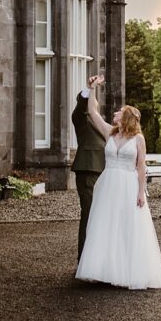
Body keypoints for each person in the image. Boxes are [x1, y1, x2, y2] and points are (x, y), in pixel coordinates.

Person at [75, 75, 161, 290]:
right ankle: (103, 269)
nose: (115, 113)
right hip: (108, 184)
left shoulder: (138, 139)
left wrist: (141, 192)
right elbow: (92, 113)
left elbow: (141, 166)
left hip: (128, 184)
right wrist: (91, 88)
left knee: (127, 225)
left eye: (119, 112)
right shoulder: (109, 133)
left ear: (126, 118)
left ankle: (127, 270)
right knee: (105, 224)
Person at [71, 75, 107, 262]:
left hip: (105, 174)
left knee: (102, 217)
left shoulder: (103, 127)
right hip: (88, 172)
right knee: (89, 214)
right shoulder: (81, 119)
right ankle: (84, 261)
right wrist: (89, 89)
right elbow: (82, 106)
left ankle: (99, 260)